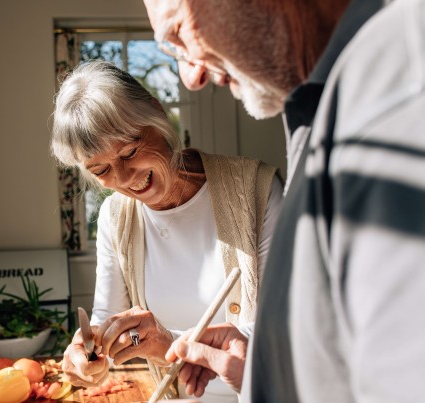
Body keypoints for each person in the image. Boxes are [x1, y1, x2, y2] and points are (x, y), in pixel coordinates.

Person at [143, 0, 425, 402]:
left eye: (178, 35)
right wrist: (264, 360)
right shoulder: (326, 104)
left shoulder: (396, 97)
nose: (191, 76)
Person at [50, 59, 284, 402]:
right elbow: (107, 319)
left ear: (157, 116)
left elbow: (279, 328)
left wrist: (169, 342)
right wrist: (88, 350)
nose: (125, 178)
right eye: (101, 170)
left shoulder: (256, 190)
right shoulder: (115, 217)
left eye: (130, 151)